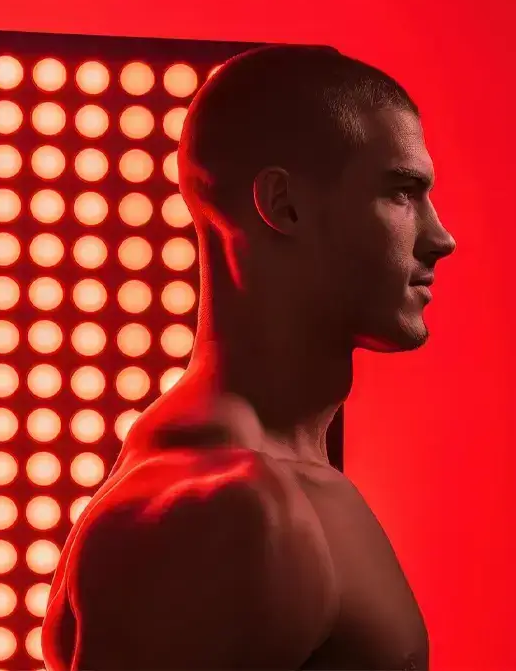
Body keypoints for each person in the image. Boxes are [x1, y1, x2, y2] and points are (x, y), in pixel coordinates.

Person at [42, 44, 457, 671]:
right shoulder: (230, 515)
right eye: (401, 193)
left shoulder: (276, 481)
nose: (441, 237)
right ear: (283, 204)